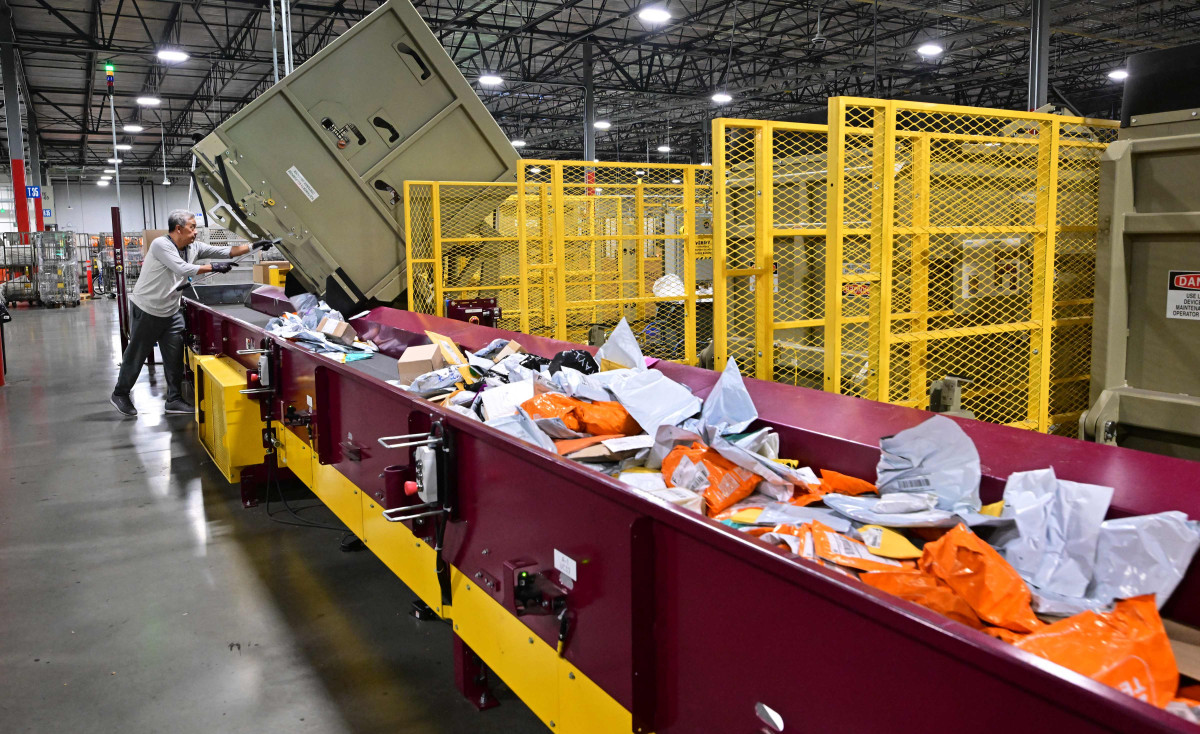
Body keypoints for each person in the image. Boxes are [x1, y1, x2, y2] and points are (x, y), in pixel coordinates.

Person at [110, 210, 266, 417]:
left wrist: (255, 246)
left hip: (172, 310)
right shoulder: (160, 245)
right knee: (137, 354)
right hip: (148, 308)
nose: (195, 232)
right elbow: (183, 268)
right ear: (178, 229)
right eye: (192, 227)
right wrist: (213, 267)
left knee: (174, 356)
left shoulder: (193, 246)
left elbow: (226, 251)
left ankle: (173, 399)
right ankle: (120, 393)